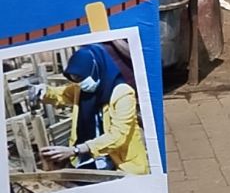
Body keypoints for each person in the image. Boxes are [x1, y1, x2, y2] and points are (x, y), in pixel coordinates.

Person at [31, 44, 150, 175]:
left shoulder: (123, 94)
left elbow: (118, 135)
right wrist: (44, 91)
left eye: (81, 78)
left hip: (120, 161)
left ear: (96, 68)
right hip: (90, 158)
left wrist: (76, 150)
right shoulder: (81, 89)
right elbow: (62, 94)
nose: (79, 83)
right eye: (75, 79)